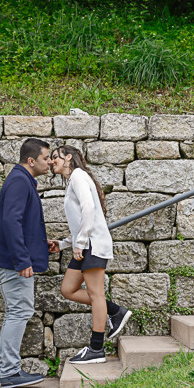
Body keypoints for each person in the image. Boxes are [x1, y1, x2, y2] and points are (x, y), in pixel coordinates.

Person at [48, 145, 132, 364]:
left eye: (54, 157)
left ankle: (96, 349)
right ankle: (115, 311)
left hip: (91, 246)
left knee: (96, 295)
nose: (50, 161)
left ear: (68, 157)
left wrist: (81, 243)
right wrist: (64, 243)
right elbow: (81, 221)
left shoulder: (78, 176)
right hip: (85, 245)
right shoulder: (75, 180)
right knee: (68, 289)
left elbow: (89, 209)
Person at [0, 138, 54, 388]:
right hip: (12, 263)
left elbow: (21, 223)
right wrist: (22, 259)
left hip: (14, 260)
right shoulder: (18, 181)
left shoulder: (22, 180)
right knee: (19, 311)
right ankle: (9, 372)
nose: (50, 162)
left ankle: (10, 371)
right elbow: (11, 222)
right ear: (31, 160)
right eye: (46, 158)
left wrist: (40, 245)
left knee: (19, 311)